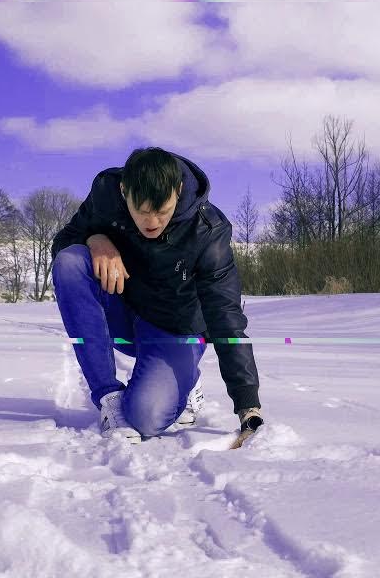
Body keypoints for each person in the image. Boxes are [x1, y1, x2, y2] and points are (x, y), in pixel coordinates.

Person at [50, 147, 263, 443]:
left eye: (162, 210)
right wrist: (95, 239)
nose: (152, 221)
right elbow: (63, 241)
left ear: (178, 191)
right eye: (142, 210)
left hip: (176, 328)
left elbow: (225, 314)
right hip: (124, 311)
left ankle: (185, 377)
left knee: (145, 418)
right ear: (124, 191)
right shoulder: (106, 196)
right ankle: (108, 397)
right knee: (71, 262)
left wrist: (247, 403)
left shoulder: (208, 231)